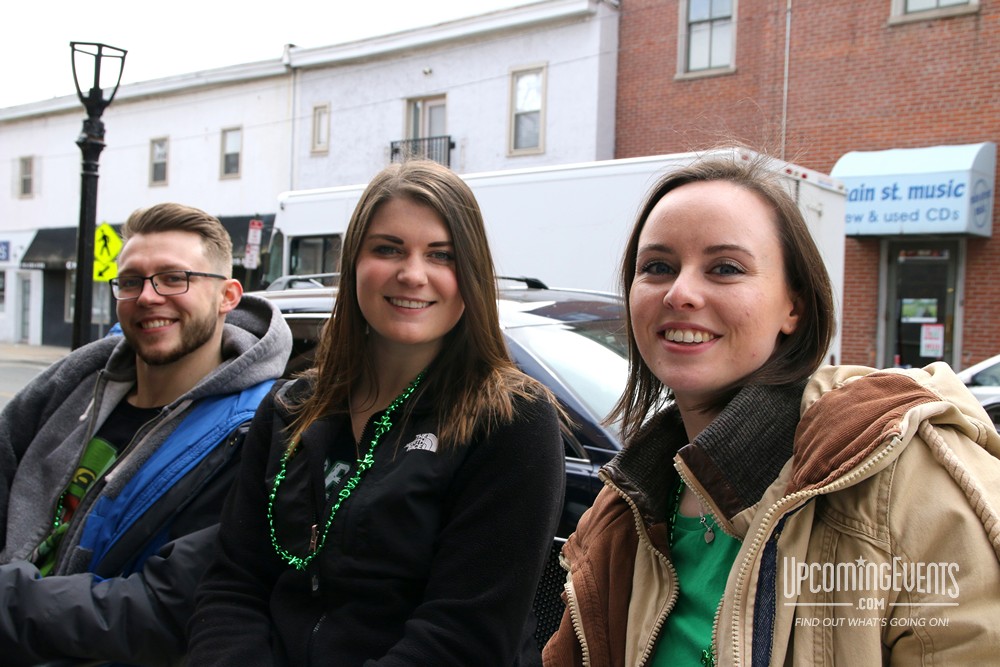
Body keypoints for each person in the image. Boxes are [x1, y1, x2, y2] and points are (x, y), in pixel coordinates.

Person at [543, 151, 1000, 665]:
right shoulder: (618, 513)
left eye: (725, 268)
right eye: (657, 267)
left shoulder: (905, 475)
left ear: (794, 307)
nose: (680, 292)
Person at [187, 159, 566, 666]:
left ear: (470, 274)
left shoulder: (512, 420)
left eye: (441, 255)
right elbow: (233, 584)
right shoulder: (288, 408)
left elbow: (463, 637)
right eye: (388, 249)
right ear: (354, 266)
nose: (412, 274)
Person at [0, 203, 293, 666]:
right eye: (132, 281)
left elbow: (165, 606)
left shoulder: (258, 430)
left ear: (228, 295)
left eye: (175, 278)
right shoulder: (73, 387)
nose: (148, 296)